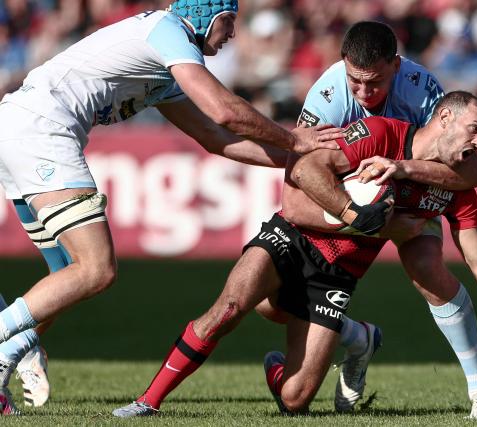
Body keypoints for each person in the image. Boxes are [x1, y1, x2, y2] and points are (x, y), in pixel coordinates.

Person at [111, 91, 477, 418]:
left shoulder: (455, 184)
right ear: (443, 117)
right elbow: (305, 170)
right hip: (294, 237)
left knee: (295, 400)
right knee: (229, 308)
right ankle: (147, 402)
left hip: (338, 275)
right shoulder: (381, 132)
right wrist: (353, 214)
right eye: (474, 129)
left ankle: (338, 344)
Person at [0, 0, 343, 415]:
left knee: (63, 275)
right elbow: (224, 111)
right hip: (43, 131)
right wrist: (296, 140)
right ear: (206, 14)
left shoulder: (164, 61)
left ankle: (8, 359)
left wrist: (296, 161)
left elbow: (214, 137)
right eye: (230, 21)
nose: (233, 33)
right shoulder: (170, 32)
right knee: (95, 269)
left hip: (19, 127)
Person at [291, 20, 477, 417]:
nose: (363, 92)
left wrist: (402, 170)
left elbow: (470, 173)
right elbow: (296, 177)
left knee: (426, 266)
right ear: (343, 65)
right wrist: (352, 212)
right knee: (277, 305)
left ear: (395, 65)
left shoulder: (423, 90)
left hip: (410, 193)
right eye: (355, 81)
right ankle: (359, 340)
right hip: (348, 199)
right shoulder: (325, 95)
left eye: (374, 82)